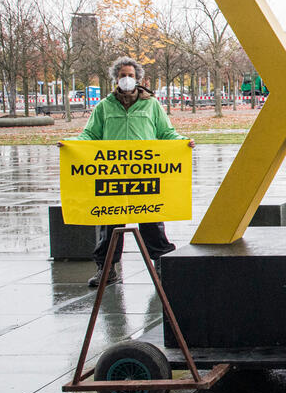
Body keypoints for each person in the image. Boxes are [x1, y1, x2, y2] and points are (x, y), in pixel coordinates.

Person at [61, 57, 193, 287]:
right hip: (113, 176)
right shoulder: (104, 106)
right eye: (123, 75)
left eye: (131, 75)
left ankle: (161, 265)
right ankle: (107, 269)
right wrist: (71, 145)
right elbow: (90, 135)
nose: (127, 79)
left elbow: (166, 133)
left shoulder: (151, 105)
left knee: (152, 222)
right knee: (109, 224)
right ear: (116, 78)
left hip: (145, 175)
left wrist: (183, 143)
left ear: (138, 79)